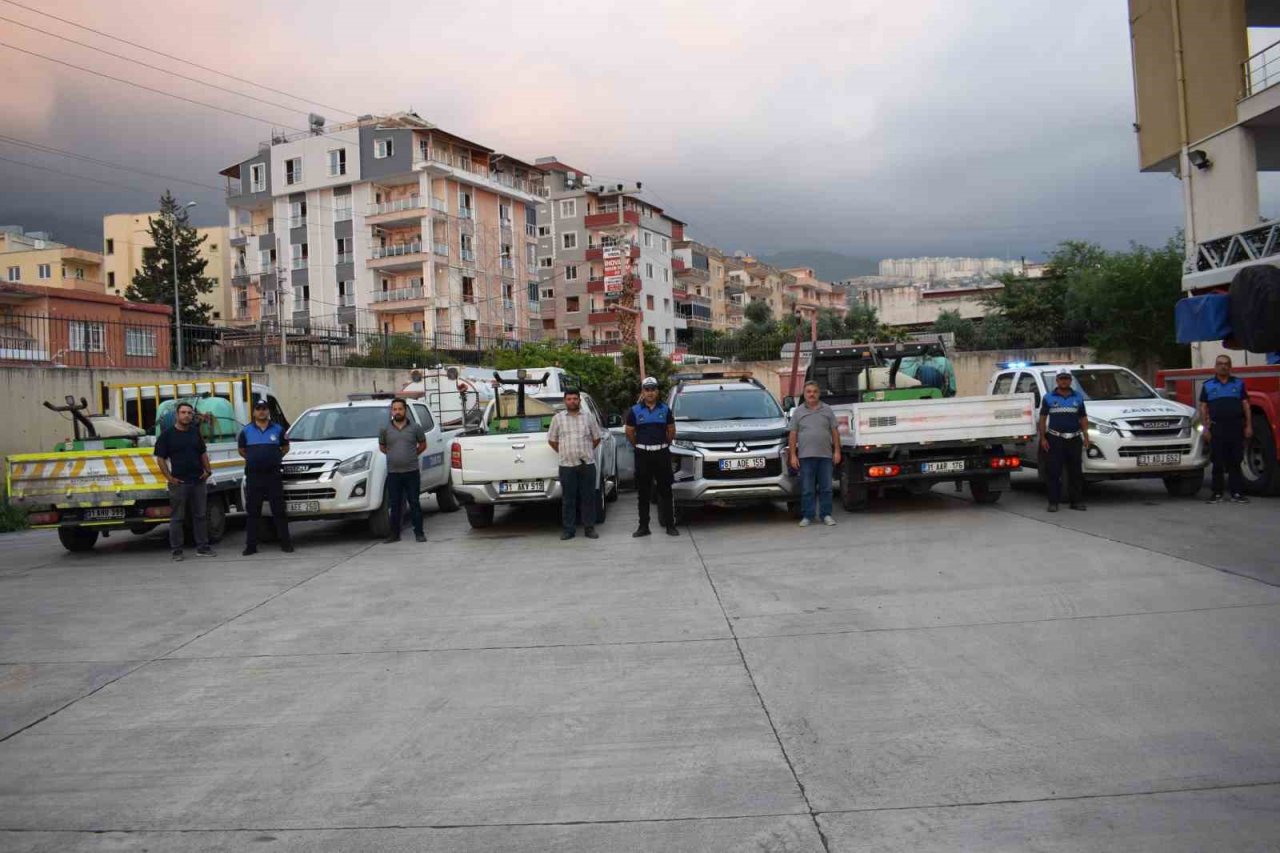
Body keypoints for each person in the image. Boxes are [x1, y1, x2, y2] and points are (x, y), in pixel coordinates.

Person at [154, 401, 214, 560]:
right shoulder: (167, 435)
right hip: (179, 483)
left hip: (198, 481)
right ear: (177, 415)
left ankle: (202, 547)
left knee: (200, 516)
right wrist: (169, 478)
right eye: (183, 412)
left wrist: (208, 471)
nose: (186, 415)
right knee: (177, 518)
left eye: (189, 413)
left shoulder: (195, 432)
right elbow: (160, 459)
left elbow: (203, 453)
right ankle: (177, 551)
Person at [238, 398, 293, 556]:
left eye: (264, 408)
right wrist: (256, 459)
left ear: (268, 411)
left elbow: (285, 447)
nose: (261, 411)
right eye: (258, 408)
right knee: (253, 512)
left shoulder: (278, 429)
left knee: (279, 511)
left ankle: (286, 543)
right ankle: (251, 546)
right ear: (254, 412)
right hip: (254, 476)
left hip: (273, 476)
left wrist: (274, 457)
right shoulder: (246, 431)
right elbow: (242, 450)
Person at [626, 376, 678, 537]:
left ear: (657, 391)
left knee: (666, 491)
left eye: (653, 389)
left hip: (661, 453)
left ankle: (670, 525)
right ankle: (643, 527)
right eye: (647, 389)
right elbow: (629, 432)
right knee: (643, 493)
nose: (650, 393)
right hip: (643, 455)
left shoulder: (665, 409)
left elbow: (671, 431)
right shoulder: (634, 411)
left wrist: (663, 445)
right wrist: (640, 446)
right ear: (642, 391)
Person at [547, 388, 602, 541]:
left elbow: (596, 438)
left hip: (587, 464)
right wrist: (564, 452)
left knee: (588, 497)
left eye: (575, 399)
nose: (572, 401)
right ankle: (568, 530)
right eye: (569, 399)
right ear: (565, 401)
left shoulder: (588, 417)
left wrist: (586, 451)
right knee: (568, 499)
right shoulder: (558, 419)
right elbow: (552, 440)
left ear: (579, 400)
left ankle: (589, 528)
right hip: (567, 466)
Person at [787, 380, 842, 527]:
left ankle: (826, 515)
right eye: (808, 392)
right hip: (805, 457)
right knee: (807, 489)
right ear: (804, 394)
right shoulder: (798, 412)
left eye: (814, 391)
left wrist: (837, 451)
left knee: (826, 488)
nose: (812, 394)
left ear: (819, 393)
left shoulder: (827, 410)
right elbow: (793, 434)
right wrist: (793, 455)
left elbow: (835, 432)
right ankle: (808, 516)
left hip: (825, 456)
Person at [1200, 354, 1253, 504]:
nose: (1223, 366)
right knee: (1217, 461)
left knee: (1236, 460)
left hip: (1236, 427)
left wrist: (1248, 425)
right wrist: (1205, 428)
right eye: (1220, 364)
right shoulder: (1208, 385)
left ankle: (1236, 493)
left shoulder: (1239, 384)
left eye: (1226, 364)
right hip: (1217, 428)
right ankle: (1217, 494)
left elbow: (1246, 405)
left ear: (1230, 367)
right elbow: (1203, 407)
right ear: (1215, 367)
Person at [1038, 369, 1090, 512]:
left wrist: (1086, 436)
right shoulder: (1048, 397)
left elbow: (1083, 418)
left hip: (1074, 439)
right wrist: (1043, 438)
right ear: (1057, 380)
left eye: (1067, 378)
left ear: (1070, 380)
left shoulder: (1078, 397)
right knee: (1054, 472)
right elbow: (1042, 419)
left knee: (1075, 472)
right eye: (1061, 379)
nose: (1064, 381)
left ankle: (1076, 502)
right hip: (1055, 439)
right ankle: (1053, 502)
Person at [378, 398, 427, 543]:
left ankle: (419, 533)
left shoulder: (415, 428)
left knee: (414, 503)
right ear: (391, 411)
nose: (397, 412)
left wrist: (411, 455)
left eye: (400, 409)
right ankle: (394, 535)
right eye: (395, 409)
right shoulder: (385, 429)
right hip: (393, 473)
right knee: (395, 505)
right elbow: (382, 447)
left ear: (405, 410)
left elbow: (423, 445)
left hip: (412, 472)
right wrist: (394, 456)